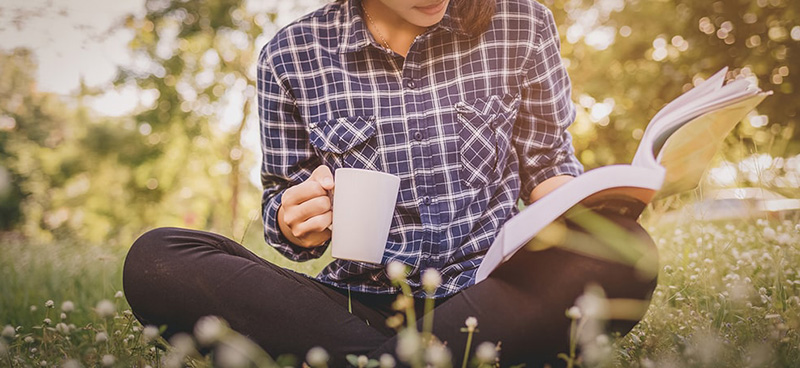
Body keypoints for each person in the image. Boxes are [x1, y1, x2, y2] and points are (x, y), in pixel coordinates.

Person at [122, 0, 659, 366]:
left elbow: (546, 167)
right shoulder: (291, 55)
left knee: (625, 251)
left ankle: (362, 358)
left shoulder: (523, 23)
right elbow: (282, 199)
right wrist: (292, 219)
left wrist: (609, 200)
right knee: (158, 258)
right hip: (351, 302)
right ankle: (416, 355)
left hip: (490, 294)